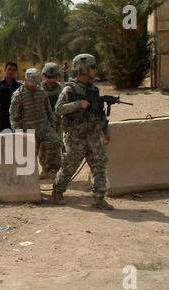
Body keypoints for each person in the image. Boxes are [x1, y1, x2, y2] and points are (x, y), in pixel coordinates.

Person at [52, 54, 114, 210]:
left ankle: (99, 198)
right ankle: (57, 190)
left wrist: (105, 130)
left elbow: (99, 113)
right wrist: (79, 104)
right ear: (83, 69)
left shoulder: (94, 90)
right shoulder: (69, 89)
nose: (95, 70)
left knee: (99, 165)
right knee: (69, 166)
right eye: (92, 67)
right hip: (76, 136)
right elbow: (59, 109)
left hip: (94, 134)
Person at [10, 68, 61, 179]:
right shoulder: (18, 96)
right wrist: (19, 133)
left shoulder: (41, 92)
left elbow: (48, 110)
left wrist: (53, 124)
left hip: (44, 127)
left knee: (55, 142)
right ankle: (29, 177)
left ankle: (48, 169)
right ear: (25, 80)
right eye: (32, 83)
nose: (34, 86)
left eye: (36, 83)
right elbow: (14, 117)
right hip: (28, 130)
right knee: (29, 154)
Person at [40, 63, 65, 178]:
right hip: (43, 122)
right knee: (43, 146)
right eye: (49, 77)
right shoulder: (39, 89)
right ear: (44, 76)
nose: (51, 79)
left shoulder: (61, 89)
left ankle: (57, 168)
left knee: (57, 143)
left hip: (57, 121)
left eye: (53, 76)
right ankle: (45, 169)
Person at [0, 62, 22, 132]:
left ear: (16, 72)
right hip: (3, 119)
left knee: (17, 141)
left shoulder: (20, 86)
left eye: (13, 70)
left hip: (17, 119)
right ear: (5, 70)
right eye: (9, 69)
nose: (11, 72)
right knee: (2, 141)